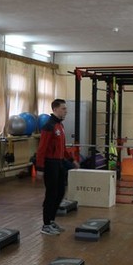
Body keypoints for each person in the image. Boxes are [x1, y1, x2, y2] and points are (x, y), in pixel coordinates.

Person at [35, 99, 79, 235]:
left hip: (59, 163)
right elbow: (41, 149)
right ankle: (46, 225)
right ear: (55, 109)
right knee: (51, 194)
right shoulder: (49, 126)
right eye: (63, 109)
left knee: (60, 192)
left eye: (66, 108)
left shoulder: (60, 126)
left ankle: (51, 220)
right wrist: (40, 168)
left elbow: (63, 147)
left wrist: (72, 160)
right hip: (50, 164)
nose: (66, 111)